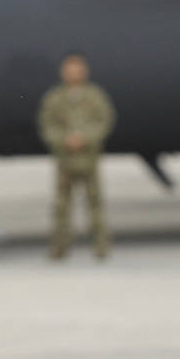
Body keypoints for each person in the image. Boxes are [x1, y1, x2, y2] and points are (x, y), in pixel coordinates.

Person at [37, 52, 116, 260]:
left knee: (95, 205)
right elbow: (47, 125)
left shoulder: (95, 96)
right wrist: (64, 140)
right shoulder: (55, 98)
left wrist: (85, 139)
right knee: (61, 206)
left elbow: (104, 121)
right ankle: (59, 248)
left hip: (89, 159)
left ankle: (101, 248)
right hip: (65, 160)